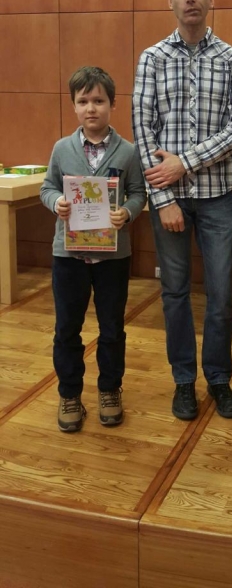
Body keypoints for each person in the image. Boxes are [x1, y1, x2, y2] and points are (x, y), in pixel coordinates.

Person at [132, 0, 232, 421]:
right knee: (175, 293)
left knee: (221, 296)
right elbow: (142, 129)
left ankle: (218, 378)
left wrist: (185, 161)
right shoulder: (151, 59)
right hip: (170, 201)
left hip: (219, 197)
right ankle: (184, 380)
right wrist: (163, 199)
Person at [41, 66, 146, 432]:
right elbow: (47, 187)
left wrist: (127, 212)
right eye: (83, 101)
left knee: (112, 328)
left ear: (112, 105)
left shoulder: (128, 152)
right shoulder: (62, 149)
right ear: (73, 105)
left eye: (99, 101)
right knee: (67, 328)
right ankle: (70, 393)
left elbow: (138, 194)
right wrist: (56, 203)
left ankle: (110, 389)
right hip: (68, 255)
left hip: (112, 258)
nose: (91, 108)